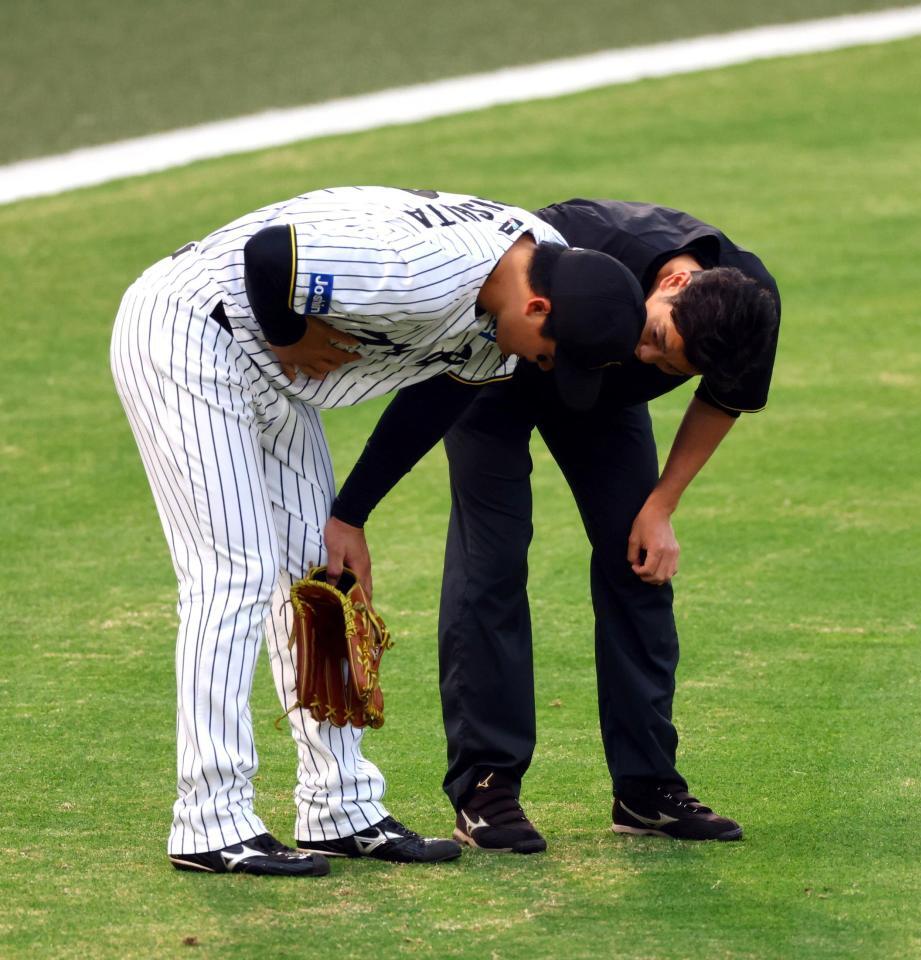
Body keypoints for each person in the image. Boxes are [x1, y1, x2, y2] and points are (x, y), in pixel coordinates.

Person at [110, 186, 646, 876]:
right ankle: (210, 820)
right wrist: (286, 333)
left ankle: (340, 806)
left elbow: (443, 392)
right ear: (537, 307)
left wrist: (350, 514)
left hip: (270, 373)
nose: (543, 368)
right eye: (549, 355)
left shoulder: (530, 276)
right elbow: (271, 256)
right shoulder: (423, 271)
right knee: (235, 574)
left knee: (320, 578)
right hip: (189, 333)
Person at [431, 198, 781, 851]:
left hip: (603, 401)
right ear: (671, 285)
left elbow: (723, 400)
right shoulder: (575, 238)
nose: (651, 359)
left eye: (671, 368)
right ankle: (486, 787)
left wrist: (662, 506)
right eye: (655, 341)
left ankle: (646, 789)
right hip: (498, 372)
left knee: (638, 564)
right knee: (493, 563)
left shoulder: (747, 311)